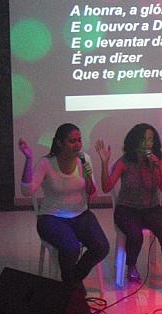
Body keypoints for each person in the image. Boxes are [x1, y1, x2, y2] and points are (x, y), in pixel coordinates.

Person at [95, 123, 162, 307]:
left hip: (152, 208)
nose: (147, 143)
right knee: (135, 234)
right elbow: (106, 187)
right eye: (143, 139)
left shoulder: (158, 160)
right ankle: (131, 264)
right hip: (127, 208)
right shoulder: (125, 161)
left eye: (150, 139)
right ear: (134, 141)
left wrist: (157, 167)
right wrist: (104, 163)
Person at [19, 123, 109, 289]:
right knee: (71, 248)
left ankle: (72, 280)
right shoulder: (47, 163)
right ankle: (72, 289)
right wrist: (28, 159)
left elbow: (93, 194)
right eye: (72, 141)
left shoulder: (84, 159)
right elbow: (26, 191)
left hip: (81, 214)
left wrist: (88, 177)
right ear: (59, 143)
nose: (77, 145)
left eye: (79, 140)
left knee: (102, 247)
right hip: (52, 217)